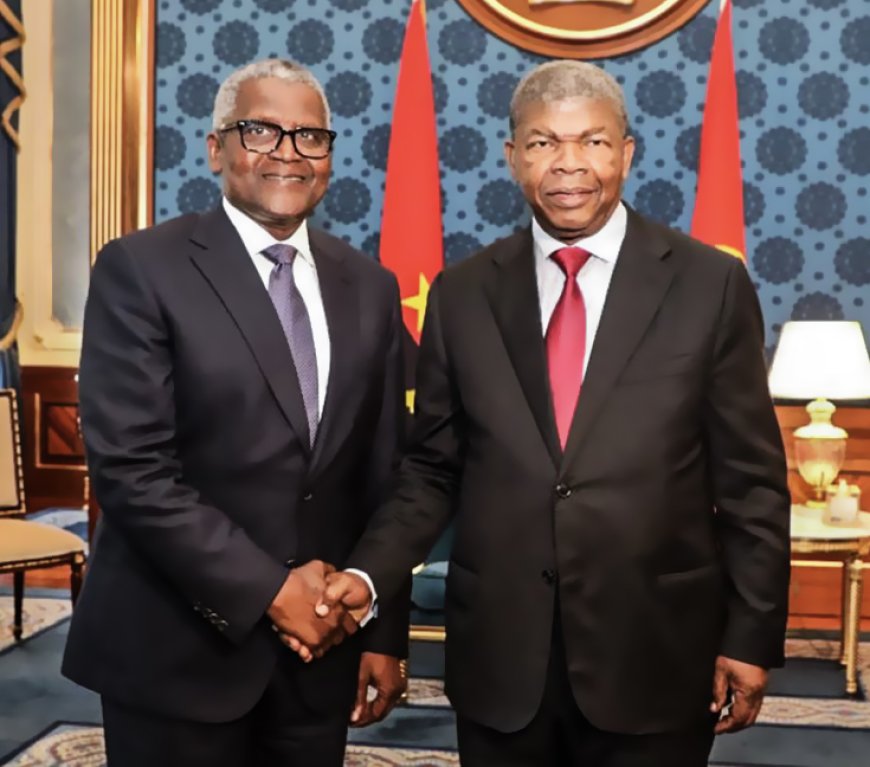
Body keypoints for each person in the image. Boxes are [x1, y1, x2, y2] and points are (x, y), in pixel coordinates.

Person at [319, 60, 791, 766]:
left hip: (657, 651)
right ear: (513, 158)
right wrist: (363, 579)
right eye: (543, 143)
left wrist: (750, 636)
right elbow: (431, 471)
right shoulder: (461, 293)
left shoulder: (710, 283)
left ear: (627, 153)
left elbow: (751, 481)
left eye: (593, 142)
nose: (569, 165)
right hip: (503, 662)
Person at [62, 58, 409, 767]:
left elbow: (383, 472)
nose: (288, 152)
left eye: (310, 136)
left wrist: (381, 629)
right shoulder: (140, 268)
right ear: (218, 148)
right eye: (261, 130)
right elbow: (132, 471)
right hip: (176, 654)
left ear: (330, 159)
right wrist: (272, 589)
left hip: (322, 655)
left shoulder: (370, 286)